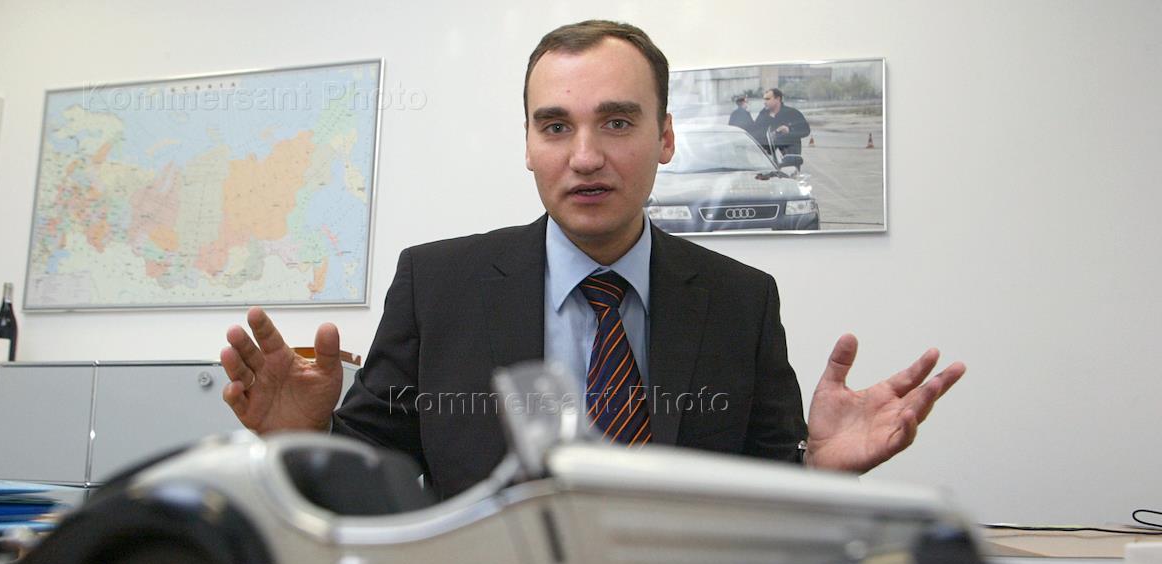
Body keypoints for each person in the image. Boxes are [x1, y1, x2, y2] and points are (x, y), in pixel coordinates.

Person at [221, 20, 964, 499]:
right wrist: (304, 442)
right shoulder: (436, 285)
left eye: (616, 122)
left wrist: (815, 471)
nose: (584, 157)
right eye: (555, 126)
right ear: (527, 143)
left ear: (665, 138)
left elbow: (763, 486)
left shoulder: (742, 300)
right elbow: (375, 472)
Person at [754, 87, 810, 157]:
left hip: (789, 156)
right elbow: (754, 132)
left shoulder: (792, 113)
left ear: (778, 99)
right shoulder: (763, 114)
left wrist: (789, 130)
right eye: (764, 99)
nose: (764, 102)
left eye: (768, 99)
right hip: (767, 156)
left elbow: (806, 130)